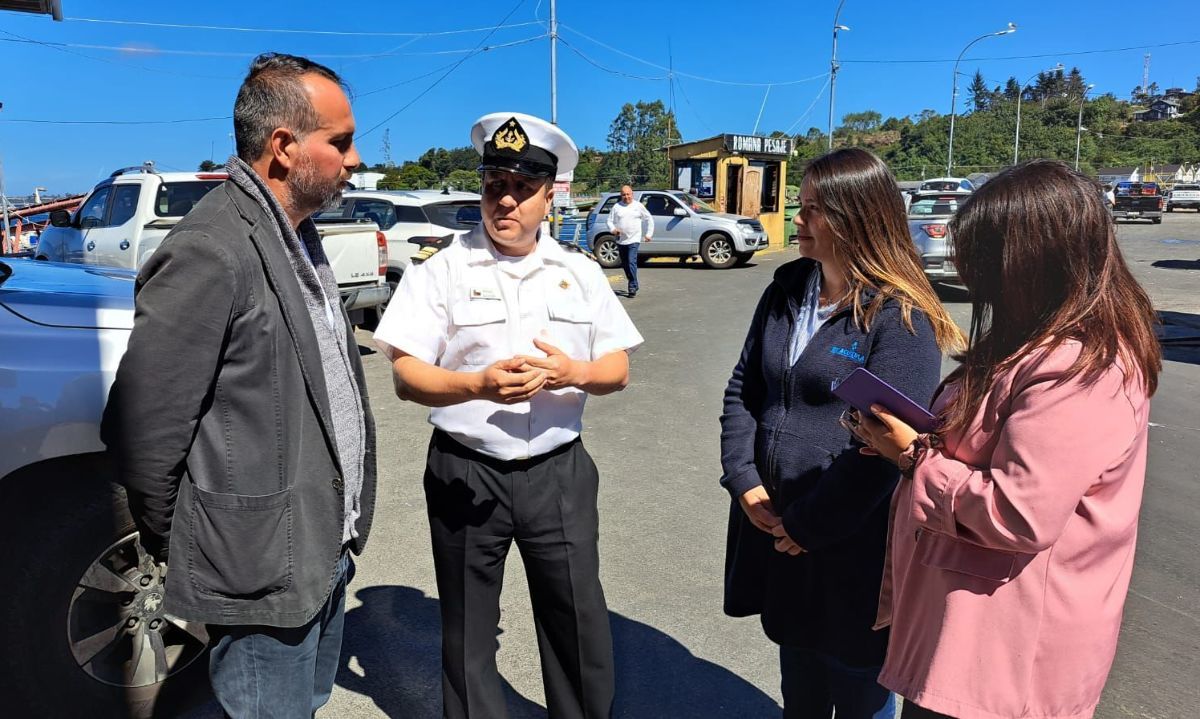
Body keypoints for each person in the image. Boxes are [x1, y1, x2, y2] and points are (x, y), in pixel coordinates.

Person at [101, 53, 376, 717]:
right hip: (260, 571)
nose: (356, 157)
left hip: (321, 551)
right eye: (340, 141)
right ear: (284, 147)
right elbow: (142, 428)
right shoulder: (213, 247)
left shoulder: (297, 237)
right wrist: (214, 539)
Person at [853, 160, 1161, 719]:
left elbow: (1020, 513)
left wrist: (914, 456)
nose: (969, 273)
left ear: (1035, 261)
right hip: (968, 632)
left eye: (984, 258)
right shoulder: (1030, 340)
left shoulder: (1079, 367)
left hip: (1003, 660)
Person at [373, 112, 643, 719]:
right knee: (467, 628)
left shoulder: (579, 272)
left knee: (578, 619)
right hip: (466, 471)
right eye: (496, 183)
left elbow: (617, 369)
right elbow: (406, 375)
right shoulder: (439, 269)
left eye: (524, 188)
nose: (508, 199)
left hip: (558, 472)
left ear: (551, 195)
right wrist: (476, 385)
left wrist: (570, 372)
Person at [719, 148, 963, 719]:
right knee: (799, 679)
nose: (796, 220)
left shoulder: (900, 317)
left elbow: (882, 448)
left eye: (810, 210)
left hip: (852, 541)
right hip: (777, 522)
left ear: (855, 218)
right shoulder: (786, 290)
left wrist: (810, 525)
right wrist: (744, 479)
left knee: (858, 685)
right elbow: (743, 388)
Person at [605, 184, 653, 297]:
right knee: (625, 264)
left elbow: (649, 219)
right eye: (624, 195)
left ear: (632, 194)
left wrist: (648, 234)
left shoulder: (638, 206)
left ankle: (632, 286)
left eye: (628, 194)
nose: (626, 197)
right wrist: (613, 229)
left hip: (634, 239)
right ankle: (633, 282)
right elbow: (609, 221)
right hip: (621, 240)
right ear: (621, 195)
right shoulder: (617, 207)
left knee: (631, 262)